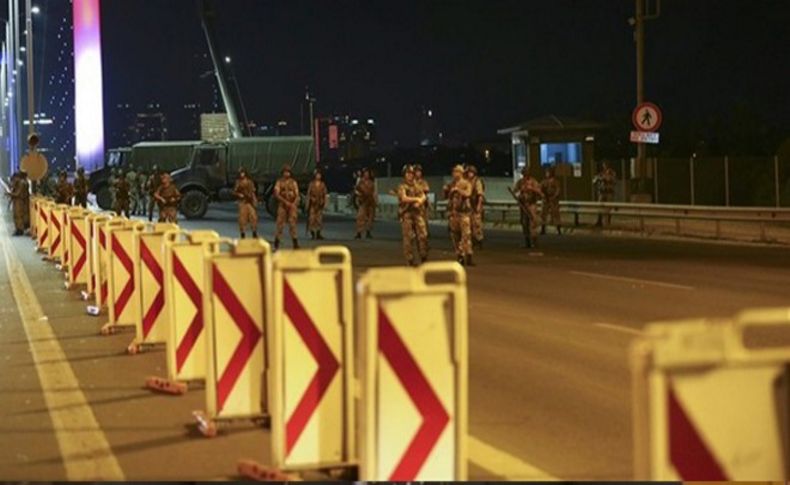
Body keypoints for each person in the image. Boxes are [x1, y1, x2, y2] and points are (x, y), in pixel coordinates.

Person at [444, 164, 474, 266]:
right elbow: (446, 197)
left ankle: (468, 254)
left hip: (464, 213)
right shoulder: (451, 184)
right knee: (455, 236)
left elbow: (468, 193)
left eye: (457, 171)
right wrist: (446, 190)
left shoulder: (466, 183)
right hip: (454, 213)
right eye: (454, 172)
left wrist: (458, 190)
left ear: (461, 173)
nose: (455, 174)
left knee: (466, 235)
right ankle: (460, 255)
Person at [398, 165, 428, 266]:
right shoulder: (402, 186)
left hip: (417, 213)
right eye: (407, 173)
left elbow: (423, 195)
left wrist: (420, 201)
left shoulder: (417, 185)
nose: (409, 176)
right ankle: (410, 259)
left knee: (423, 235)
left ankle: (423, 256)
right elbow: (403, 198)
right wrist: (416, 199)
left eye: (411, 173)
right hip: (407, 214)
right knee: (408, 238)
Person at [513, 167, 543, 248]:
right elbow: (515, 191)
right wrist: (519, 194)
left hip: (531, 204)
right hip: (523, 205)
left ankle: (534, 241)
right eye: (524, 174)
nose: (525, 176)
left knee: (533, 223)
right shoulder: (520, 182)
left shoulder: (533, 182)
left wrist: (532, 189)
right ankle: (527, 241)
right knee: (524, 223)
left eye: (526, 174)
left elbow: (540, 193)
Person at [273, 164, 300, 250]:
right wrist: (285, 202)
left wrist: (294, 204)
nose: (287, 174)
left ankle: (295, 243)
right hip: (282, 205)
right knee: (280, 224)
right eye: (285, 172)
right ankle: (276, 242)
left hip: (292, 205)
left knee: (293, 224)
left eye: (288, 172)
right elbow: (276, 194)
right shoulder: (279, 182)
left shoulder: (293, 182)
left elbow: (297, 194)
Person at [234, 167, 258, 239]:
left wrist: (254, 200)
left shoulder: (250, 182)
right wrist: (239, 195)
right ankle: (243, 235)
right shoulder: (238, 182)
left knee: (253, 218)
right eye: (240, 173)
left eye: (243, 173)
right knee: (242, 219)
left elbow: (253, 192)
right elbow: (235, 191)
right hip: (243, 202)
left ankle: (254, 233)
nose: (242, 174)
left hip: (250, 202)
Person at [466, 165, 485, 249]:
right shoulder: (467, 181)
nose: (469, 174)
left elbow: (480, 195)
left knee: (477, 224)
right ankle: (472, 241)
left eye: (471, 172)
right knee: (469, 224)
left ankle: (479, 241)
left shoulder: (477, 181)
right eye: (468, 172)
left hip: (475, 204)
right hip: (469, 205)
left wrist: (478, 205)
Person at [354, 168, 377, 239]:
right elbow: (356, 191)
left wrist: (376, 200)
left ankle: (368, 231)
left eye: (368, 173)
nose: (366, 174)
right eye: (365, 173)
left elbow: (374, 192)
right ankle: (359, 232)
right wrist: (359, 197)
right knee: (360, 217)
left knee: (370, 217)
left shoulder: (372, 182)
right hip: (363, 201)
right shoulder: (361, 182)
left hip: (370, 201)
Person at [593, 161, 616, 226]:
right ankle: (599, 221)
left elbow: (611, 180)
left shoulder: (612, 173)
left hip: (609, 192)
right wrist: (598, 179)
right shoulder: (602, 173)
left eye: (605, 164)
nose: (604, 166)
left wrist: (603, 178)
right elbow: (594, 180)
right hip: (602, 192)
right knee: (600, 206)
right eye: (604, 164)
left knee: (608, 208)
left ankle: (608, 222)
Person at [540, 167, 562, 235]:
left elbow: (558, 190)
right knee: (543, 214)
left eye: (548, 172)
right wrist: (543, 195)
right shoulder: (544, 181)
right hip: (546, 200)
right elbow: (540, 189)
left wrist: (554, 196)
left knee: (556, 214)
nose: (547, 174)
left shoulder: (555, 181)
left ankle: (558, 229)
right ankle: (543, 229)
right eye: (546, 172)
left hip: (553, 200)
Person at [306, 170, 327, 240]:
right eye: (317, 175)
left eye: (319, 175)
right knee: (311, 219)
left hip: (319, 204)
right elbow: (308, 194)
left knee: (319, 219)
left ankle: (318, 233)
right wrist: (308, 203)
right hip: (312, 204)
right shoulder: (311, 184)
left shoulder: (322, 184)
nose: (318, 176)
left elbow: (325, 194)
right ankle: (312, 233)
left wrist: (324, 203)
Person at [8, 170, 29, 235]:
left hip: (19, 202)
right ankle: (21, 228)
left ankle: (19, 229)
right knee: (21, 215)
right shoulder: (25, 182)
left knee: (18, 215)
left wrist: (10, 194)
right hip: (22, 201)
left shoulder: (21, 183)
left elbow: (17, 194)